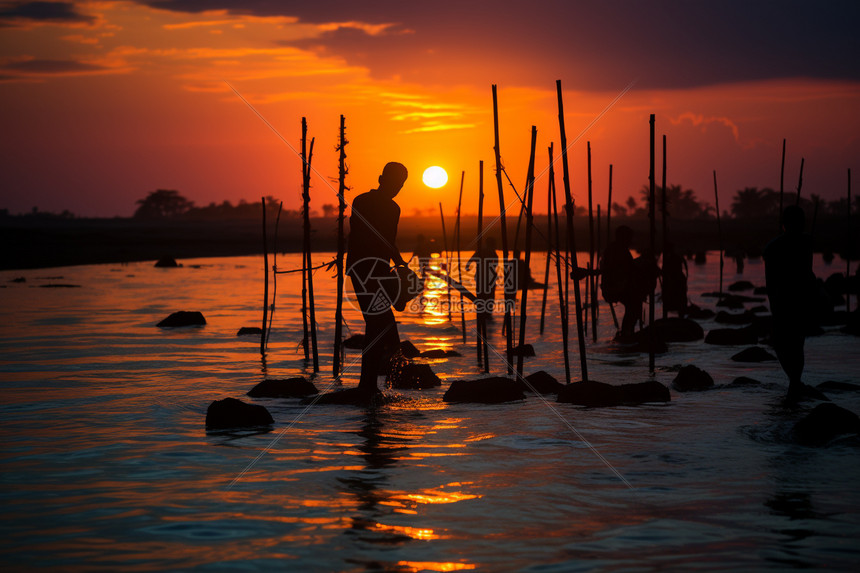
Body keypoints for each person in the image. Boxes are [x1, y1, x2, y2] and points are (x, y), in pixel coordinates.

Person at [344, 162, 409, 399]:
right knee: (377, 324)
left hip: (377, 270)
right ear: (381, 178)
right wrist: (398, 262)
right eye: (394, 183)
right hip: (364, 270)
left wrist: (399, 264)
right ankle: (369, 386)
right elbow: (373, 236)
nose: (396, 188)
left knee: (381, 324)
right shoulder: (364, 202)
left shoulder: (392, 208)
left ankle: (375, 383)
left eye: (400, 185)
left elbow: (387, 241)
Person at [764, 205, 820, 405]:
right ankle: (794, 382)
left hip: (788, 301)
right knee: (794, 343)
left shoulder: (779, 246)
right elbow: (807, 273)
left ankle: (794, 382)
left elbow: (804, 273)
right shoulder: (802, 243)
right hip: (793, 300)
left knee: (789, 343)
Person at [600, 225, 639, 340]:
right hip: (614, 288)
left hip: (618, 286)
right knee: (634, 305)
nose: (630, 240)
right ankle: (627, 333)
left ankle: (627, 332)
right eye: (628, 237)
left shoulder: (617, 249)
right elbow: (623, 269)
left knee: (633, 305)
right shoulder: (617, 250)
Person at [467, 237, 499, 322]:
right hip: (488, 277)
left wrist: (468, 266)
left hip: (482, 277)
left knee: (482, 295)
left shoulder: (481, 250)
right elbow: (496, 262)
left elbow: (470, 260)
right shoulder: (491, 251)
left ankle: (483, 312)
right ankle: (487, 313)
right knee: (489, 296)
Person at [661, 241, 688, 317]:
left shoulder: (671, 258)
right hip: (675, 282)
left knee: (677, 303)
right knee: (678, 303)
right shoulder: (671, 257)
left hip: (675, 283)